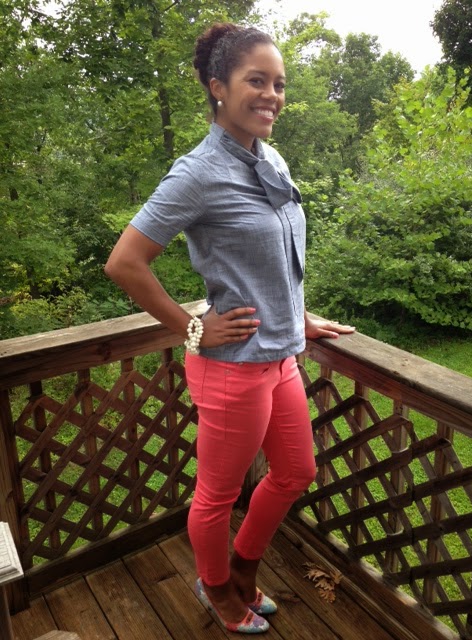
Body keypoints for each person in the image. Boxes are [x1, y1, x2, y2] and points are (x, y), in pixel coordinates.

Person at [105, 22, 355, 634]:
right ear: (218, 87)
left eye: (279, 84)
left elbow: (277, 259)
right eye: (256, 81)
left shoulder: (270, 158)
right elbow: (124, 262)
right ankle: (216, 587)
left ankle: (242, 568)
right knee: (216, 496)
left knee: (296, 472)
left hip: (281, 357)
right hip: (232, 369)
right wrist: (191, 328)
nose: (272, 95)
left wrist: (299, 317)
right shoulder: (197, 173)